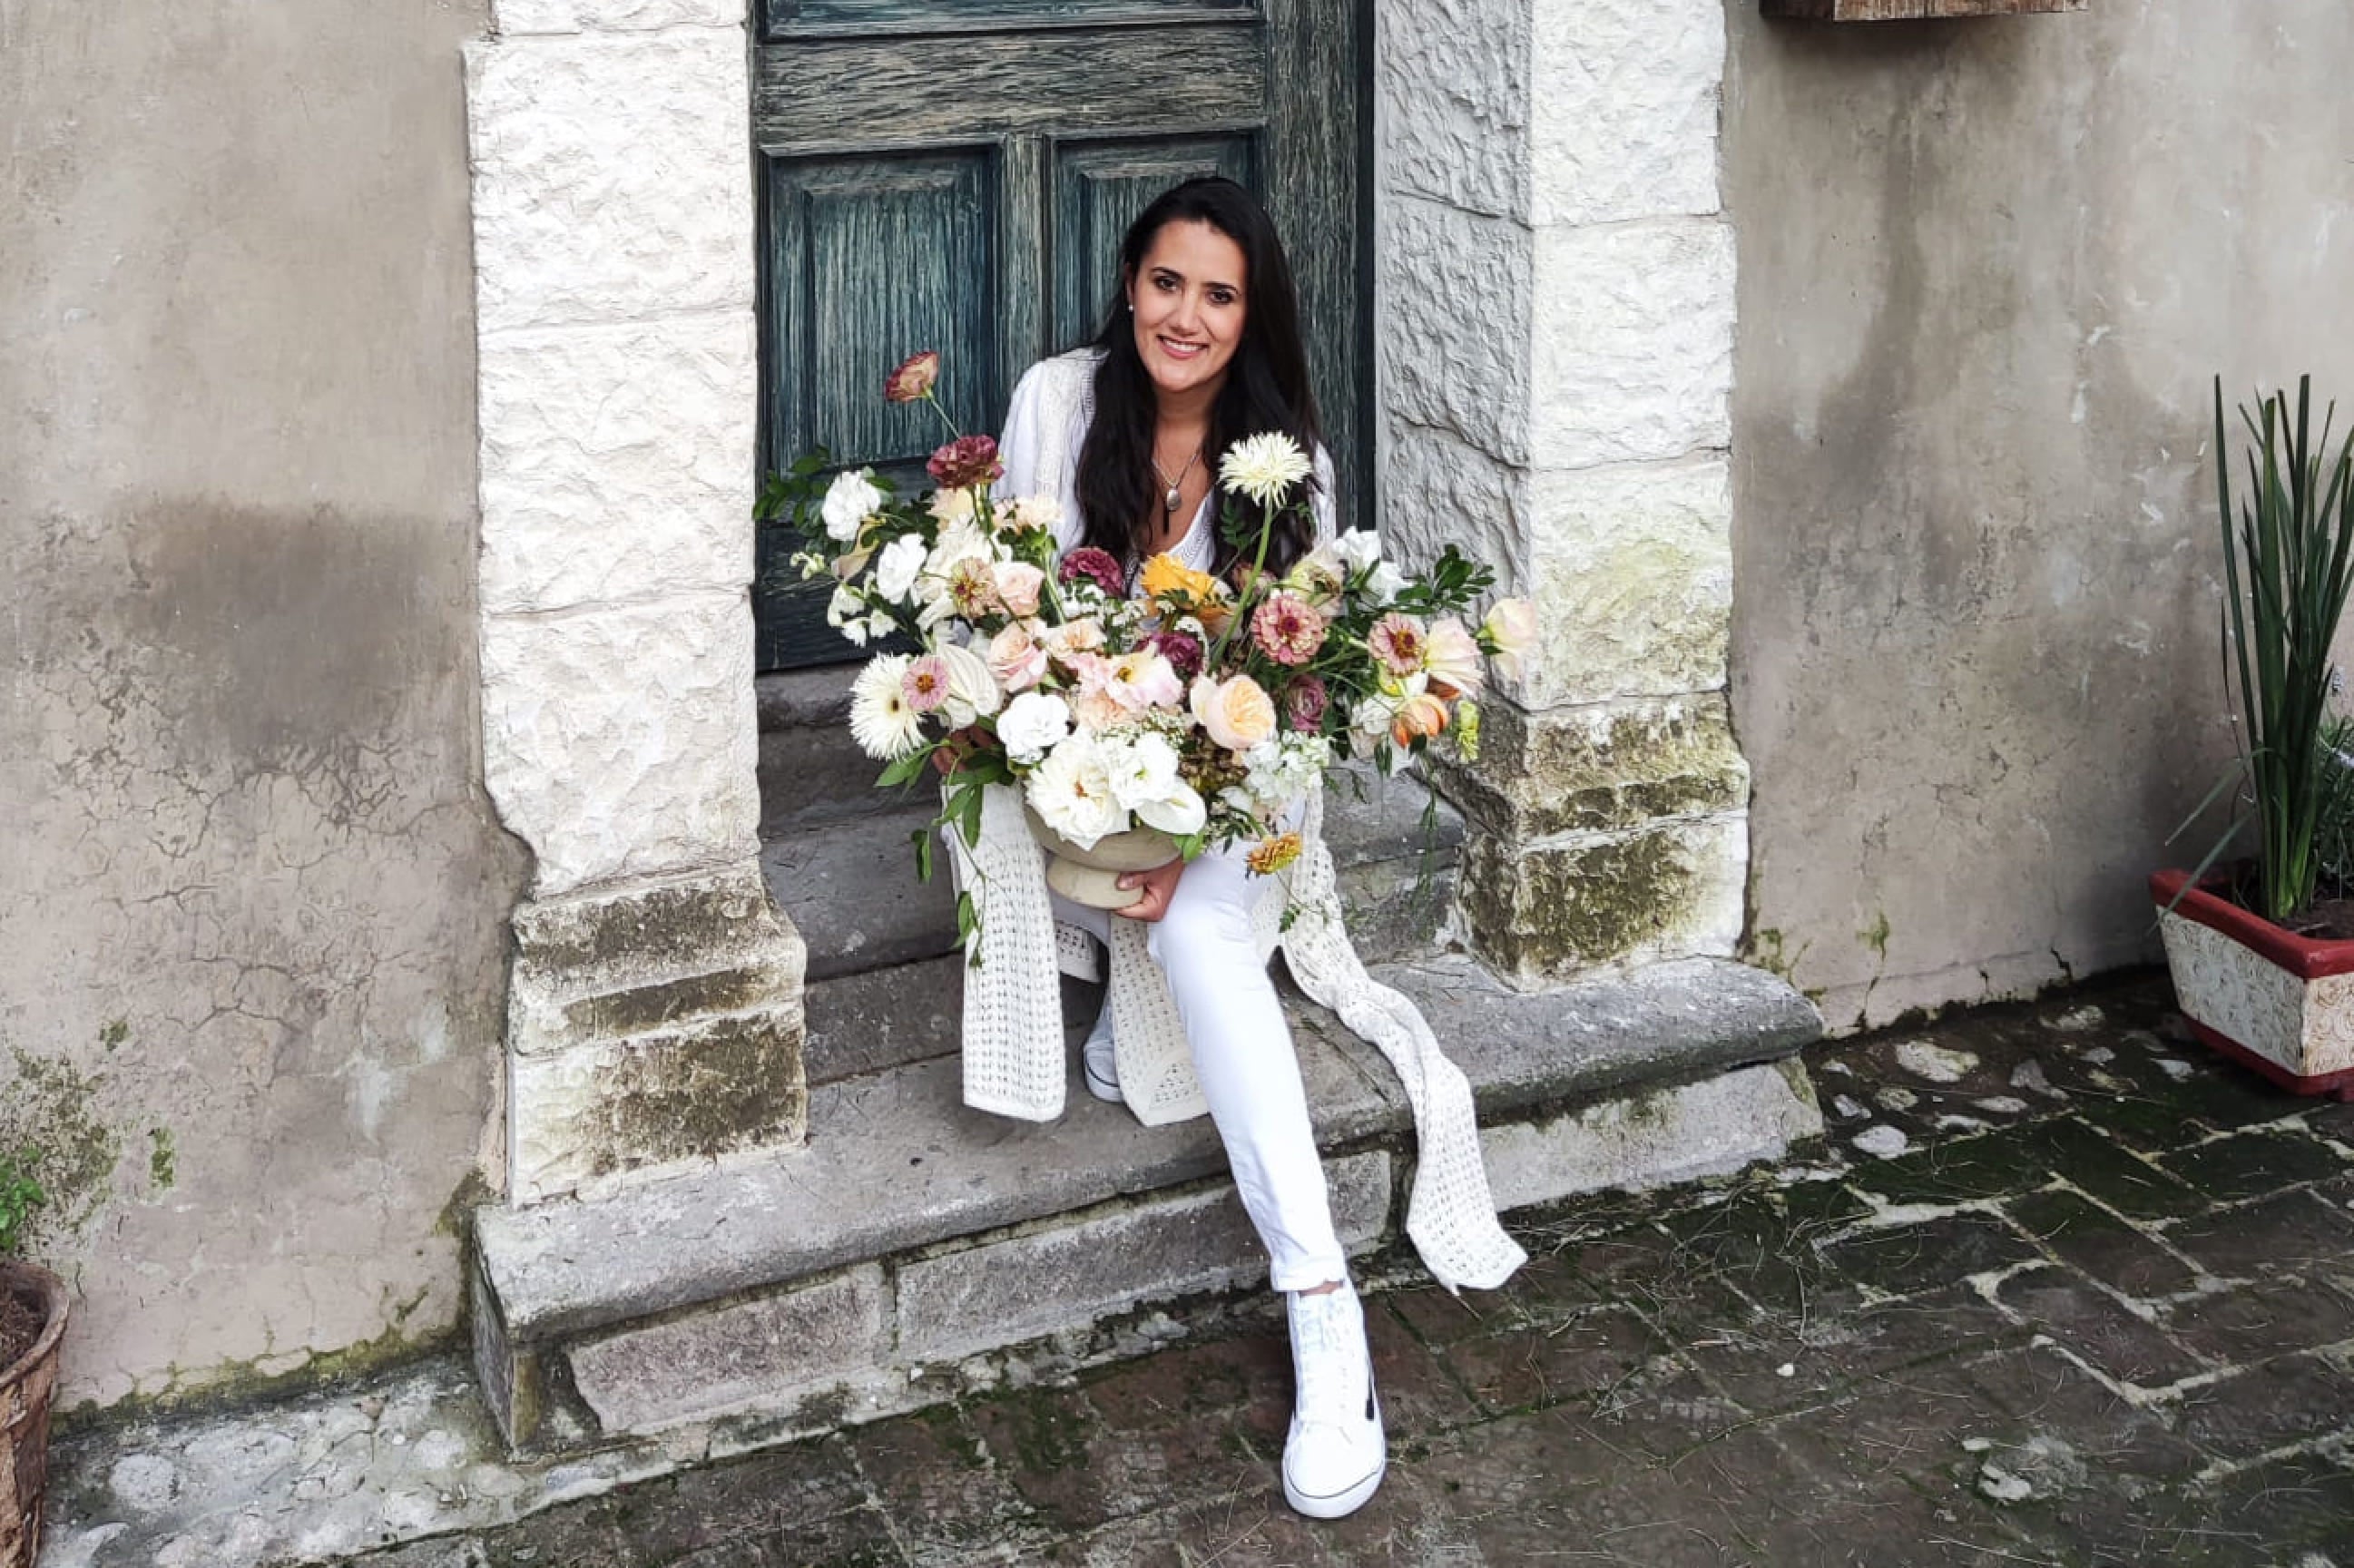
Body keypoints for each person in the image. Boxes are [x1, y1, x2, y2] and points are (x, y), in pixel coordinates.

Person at [995, 176, 1383, 1522]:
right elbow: (1004, 620)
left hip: (1238, 781)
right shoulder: (1058, 404)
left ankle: (1323, 1310)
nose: (1186, 316)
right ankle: (1115, 967)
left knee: (1213, 932)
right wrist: (1111, 819)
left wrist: (1185, 827)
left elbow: (1287, 701)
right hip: (1079, 762)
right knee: (1161, 911)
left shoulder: (1290, 467)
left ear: (1250, 314)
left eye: (1219, 295)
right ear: (1129, 283)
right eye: (1167, 283)